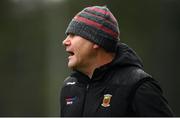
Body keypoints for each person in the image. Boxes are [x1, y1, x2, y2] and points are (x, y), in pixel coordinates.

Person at [60, 5, 173, 117]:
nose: (65, 41)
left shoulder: (138, 85)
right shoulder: (69, 87)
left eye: (73, 34)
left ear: (95, 41)